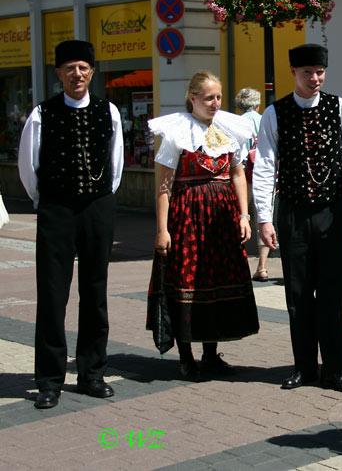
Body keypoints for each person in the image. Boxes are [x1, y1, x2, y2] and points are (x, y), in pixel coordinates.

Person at [18, 40, 124, 409]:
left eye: (82, 67)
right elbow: (28, 168)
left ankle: (92, 373)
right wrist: (45, 201)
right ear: (58, 74)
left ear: (91, 71)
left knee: (95, 294)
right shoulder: (41, 113)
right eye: (69, 69)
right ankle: (49, 380)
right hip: (57, 210)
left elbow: (116, 165)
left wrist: (100, 199)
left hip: (97, 208)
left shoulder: (108, 111)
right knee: (52, 295)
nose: (76, 75)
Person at [252, 43, 342, 394]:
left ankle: (336, 369)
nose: (314, 78)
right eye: (307, 73)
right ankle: (304, 367)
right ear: (293, 74)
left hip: (331, 212)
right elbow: (266, 166)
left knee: (333, 292)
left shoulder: (340, 107)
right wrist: (264, 219)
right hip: (293, 213)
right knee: (298, 294)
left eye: (319, 72)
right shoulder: (275, 113)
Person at [148, 71, 260, 380]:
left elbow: (238, 174)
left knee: (215, 281)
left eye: (219, 97)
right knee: (189, 281)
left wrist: (243, 214)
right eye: (209, 97)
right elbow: (164, 186)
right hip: (188, 217)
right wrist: (162, 229)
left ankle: (210, 354)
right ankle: (186, 357)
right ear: (193, 98)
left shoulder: (230, 129)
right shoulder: (176, 133)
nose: (215, 103)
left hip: (222, 220)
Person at [235, 87, 271, 282]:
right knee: (263, 219)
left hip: (243, 175)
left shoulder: (237, 123)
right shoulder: (265, 119)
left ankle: (236, 265)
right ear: (257, 104)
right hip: (264, 175)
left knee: (240, 216)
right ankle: (263, 267)